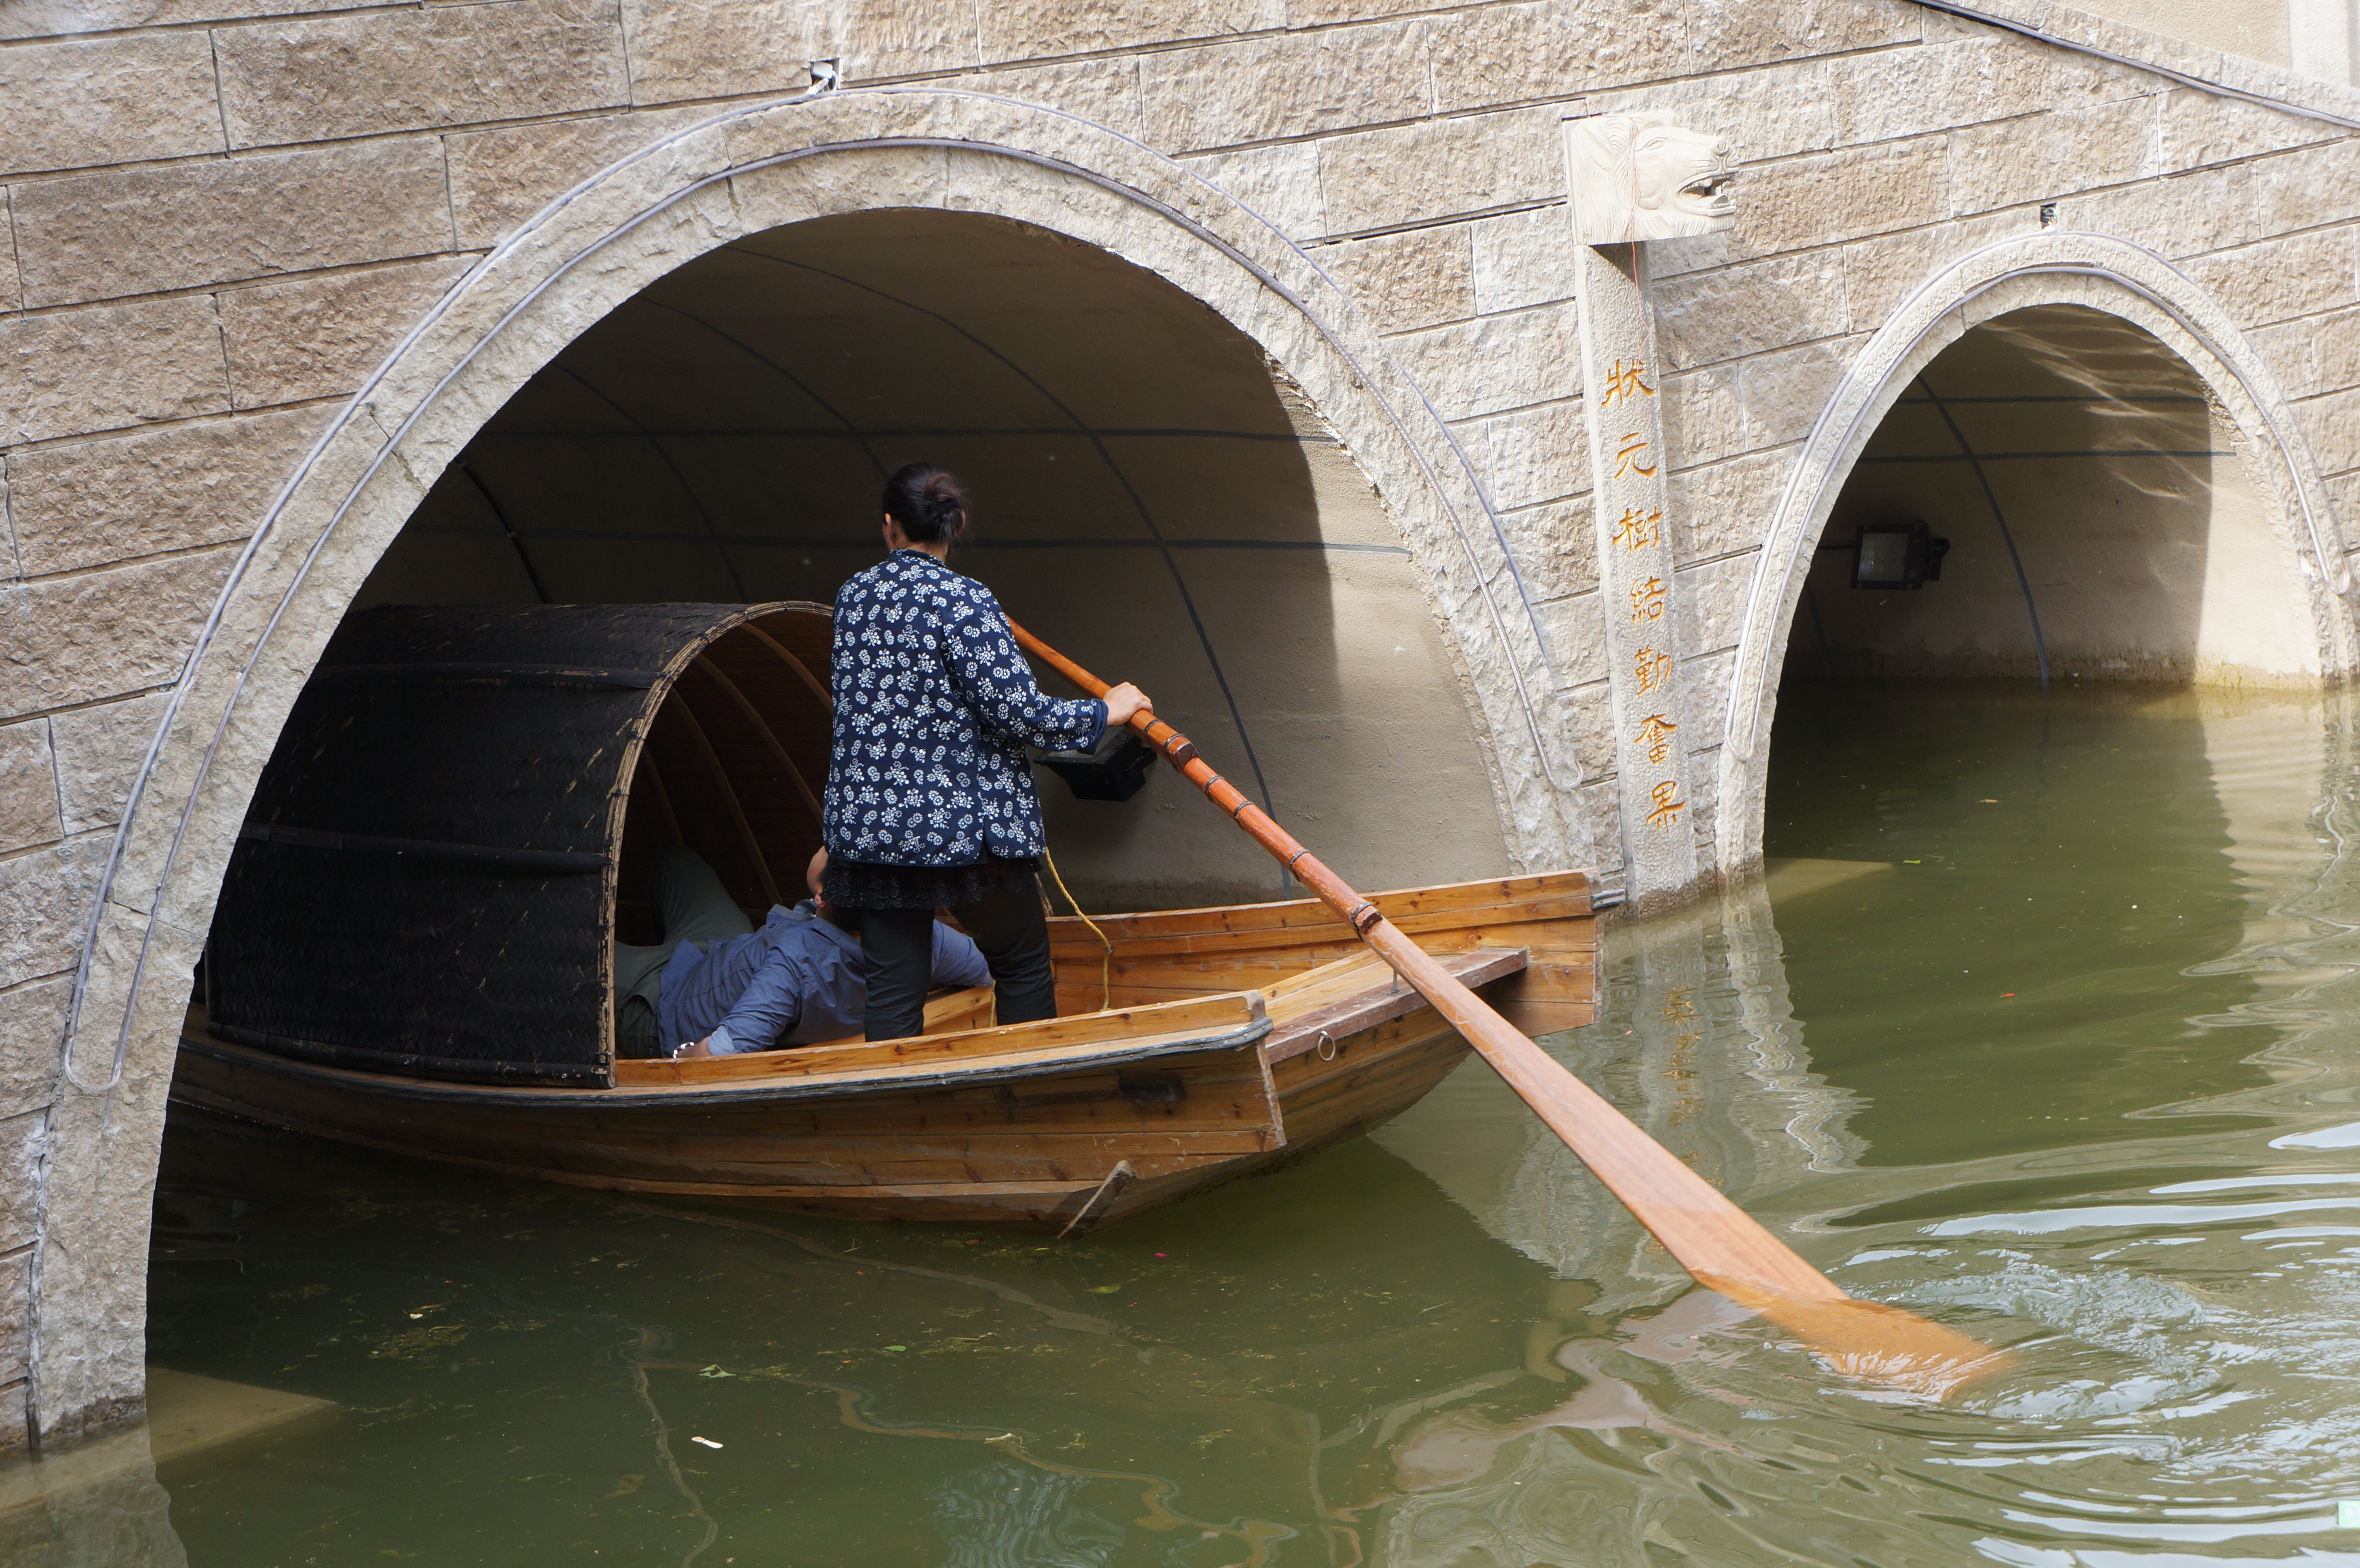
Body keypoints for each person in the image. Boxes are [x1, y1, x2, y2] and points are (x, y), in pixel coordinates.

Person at [823, 462, 1151, 1041]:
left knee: (895, 992)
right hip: (961, 830)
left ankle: (900, 1117)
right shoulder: (966, 600)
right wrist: (1107, 710)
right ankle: (1029, 1102)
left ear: (889, 526)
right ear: (957, 524)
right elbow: (1020, 713)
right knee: (1022, 964)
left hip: (874, 832)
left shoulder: (854, 595)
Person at [613, 844, 989, 1060]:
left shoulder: (795, 964)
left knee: (576, 962)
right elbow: (986, 972)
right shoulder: (929, 936)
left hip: (664, 1004)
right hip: (724, 951)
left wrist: (672, 1058)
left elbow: (722, 1052)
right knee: (676, 861)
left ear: (821, 898)